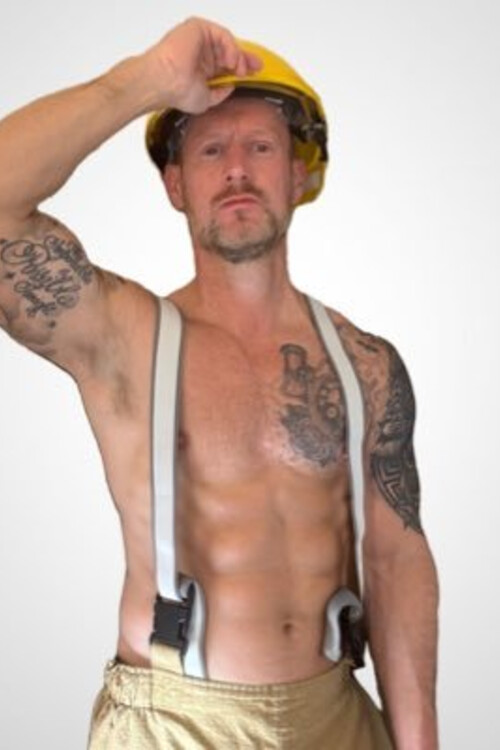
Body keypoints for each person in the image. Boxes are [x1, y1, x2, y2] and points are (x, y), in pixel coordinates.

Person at [0, 16, 439, 750]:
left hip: (335, 715)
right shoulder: (123, 338)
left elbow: (396, 562)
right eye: (210, 149)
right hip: (173, 723)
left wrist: (418, 741)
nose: (236, 168)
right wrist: (143, 81)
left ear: (298, 174)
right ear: (176, 184)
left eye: (260, 146)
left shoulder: (365, 362)